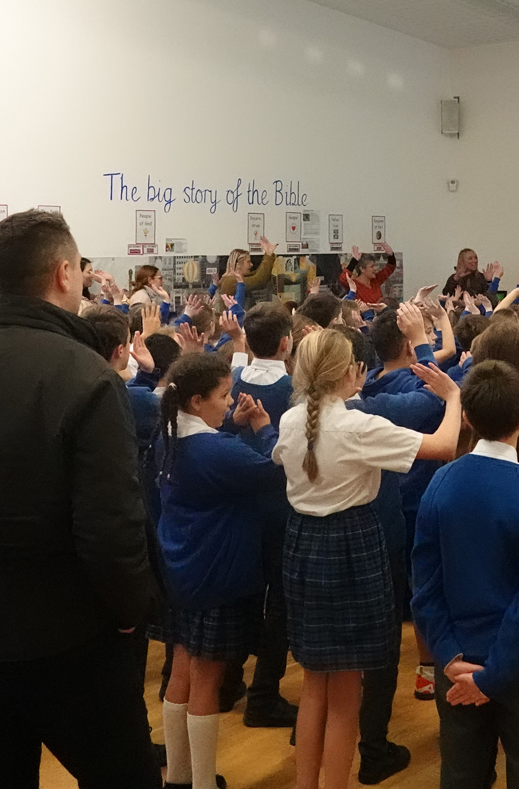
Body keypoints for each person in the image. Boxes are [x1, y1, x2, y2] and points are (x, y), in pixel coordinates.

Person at [0, 210, 160, 789]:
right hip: (68, 637)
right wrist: (128, 610)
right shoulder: (89, 376)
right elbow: (110, 525)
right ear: (65, 273)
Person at [273, 328, 462, 789]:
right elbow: (444, 447)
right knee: (346, 691)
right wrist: (453, 397)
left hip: (302, 544)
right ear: (352, 372)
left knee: (315, 680)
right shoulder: (358, 425)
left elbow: (281, 460)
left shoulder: (290, 419)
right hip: (350, 544)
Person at [412, 360, 519, 789]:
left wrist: (451, 656)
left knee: (461, 774)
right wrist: (494, 676)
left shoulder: (439, 485)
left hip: (456, 663)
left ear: (468, 419)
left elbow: (425, 585)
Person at [156, 352, 285, 789]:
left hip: (181, 569)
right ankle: (204, 783)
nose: (230, 404)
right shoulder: (216, 451)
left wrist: (232, 425)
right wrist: (261, 427)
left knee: (181, 668)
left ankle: (178, 776)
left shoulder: (170, 434)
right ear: (196, 401)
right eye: (224, 396)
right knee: (207, 681)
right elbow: (275, 469)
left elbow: (215, 455)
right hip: (217, 575)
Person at [222, 304, 299, 729]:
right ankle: (264, 693)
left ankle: (227, 681)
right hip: (280, 504)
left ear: (247, 342)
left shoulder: (230, 381)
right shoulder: (295, 391)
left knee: (242, 594)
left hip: (237, 503)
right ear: (287, 344)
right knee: (281, 604)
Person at [219, 238, 278, 305]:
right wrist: (268, 254)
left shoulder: (230, 278)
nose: (251, 265)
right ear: (238, 264)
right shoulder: (232, 280)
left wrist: (268, 254)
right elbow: (259, 279)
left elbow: (258, 274)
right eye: (248, 262)